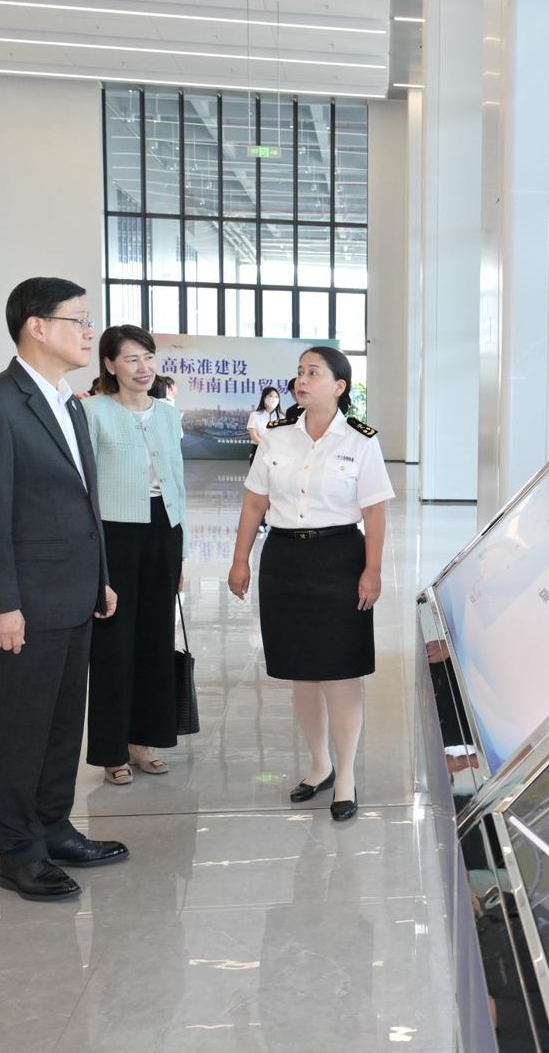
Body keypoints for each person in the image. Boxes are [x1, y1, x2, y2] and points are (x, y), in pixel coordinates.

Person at [0, 277, 122, 903]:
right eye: (79, 319)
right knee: (19, 729)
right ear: (37, 327)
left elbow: (82, 501)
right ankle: (18, 851)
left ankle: (53, 826)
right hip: (24, 600)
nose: (89, 330)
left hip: (73, 593)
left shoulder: (69, 402)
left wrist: (100, 577)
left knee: (61, 724)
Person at [227, 347, 392, 821]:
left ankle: (346, 776)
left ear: (339, 386)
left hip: (340, 558)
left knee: (339, 671)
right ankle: (319, 765)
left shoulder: (360, 441)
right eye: (300, 372)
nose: (302, 380)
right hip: (285, 559)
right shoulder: (276, 437)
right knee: (301, 670)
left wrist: (372, 569)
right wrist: (240, 560)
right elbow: (254, 503)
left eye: (313, 373)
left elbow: (375, 512)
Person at [82, 325, 187, 786]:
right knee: (113, 643)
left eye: (148, 357)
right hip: (115, 533)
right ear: (109, 364)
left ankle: (143, 740)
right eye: (131, 359)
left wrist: (181, 552)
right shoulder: (93, 411)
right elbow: (85, 485)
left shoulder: (167, 413)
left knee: (154, 640)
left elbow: (177, 479)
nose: (143, 368)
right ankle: (111, 749)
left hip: (163, 530)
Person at [246, 386, 282, 454]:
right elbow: (254, 436)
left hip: (277, 451)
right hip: (258, 450)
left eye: (276, 397)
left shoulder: (282, 417)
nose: (274, 399)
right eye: (271, 396)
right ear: (264, 398)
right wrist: (266, 447)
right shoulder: (254, 415)